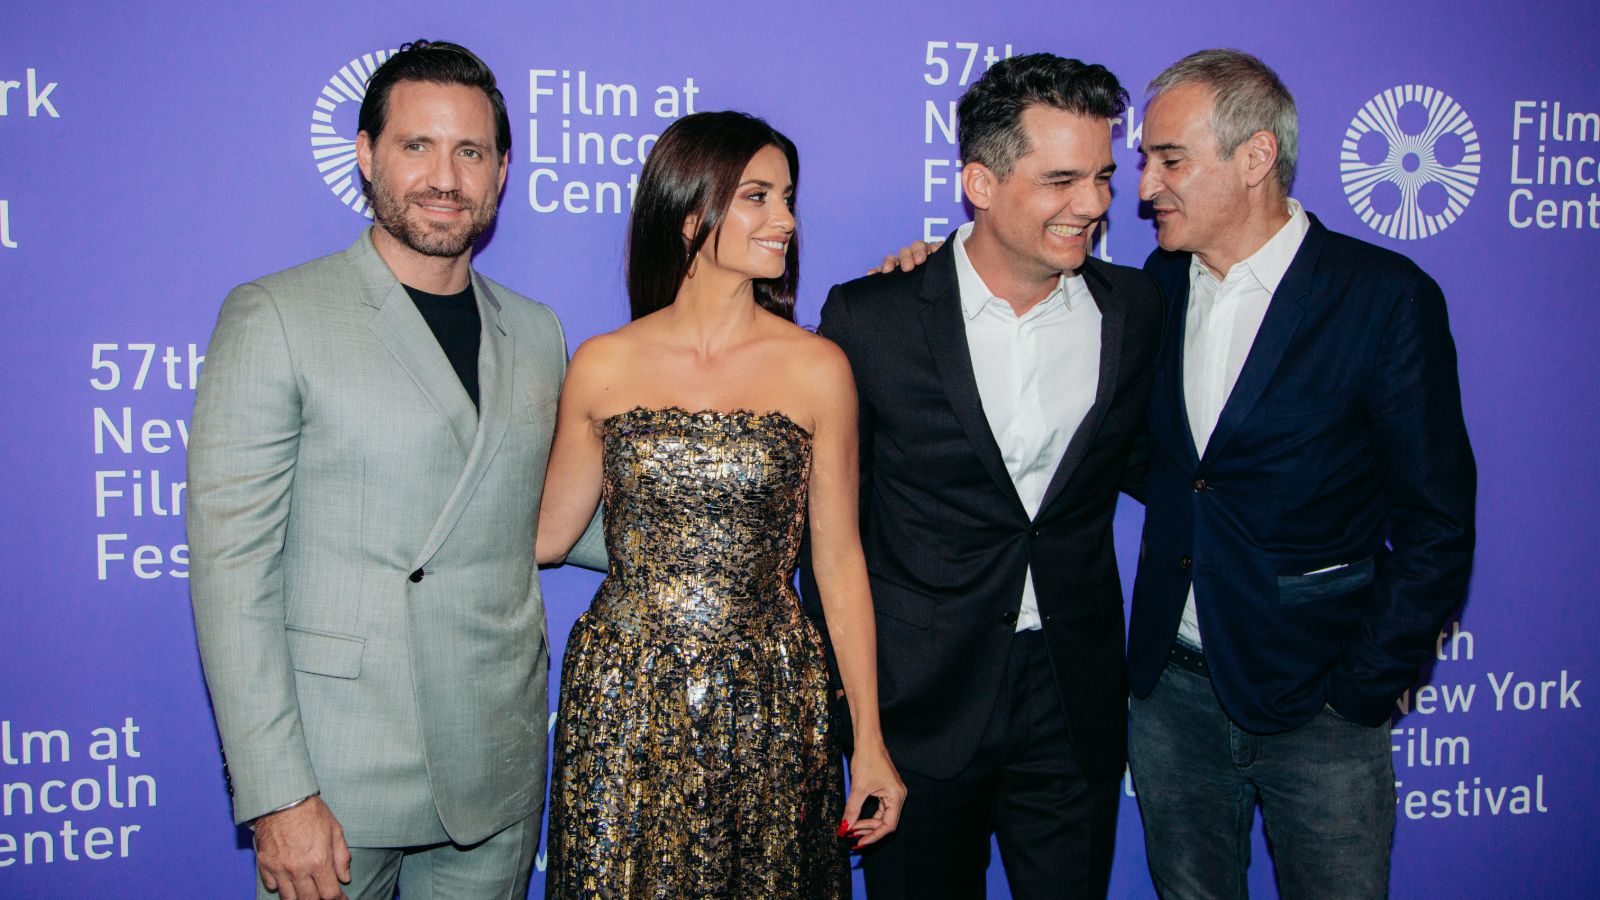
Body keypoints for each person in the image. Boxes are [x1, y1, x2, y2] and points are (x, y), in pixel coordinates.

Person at [188, 41, 601, 900]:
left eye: (470, 152)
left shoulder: (537, 331)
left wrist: (732, 506)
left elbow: (554, 515)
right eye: (417, 146)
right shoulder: (277, 315)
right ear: (366, 155)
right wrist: (278, 795)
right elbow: (232, 574)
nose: (444, 178)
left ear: (501, 172)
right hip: (336, 773)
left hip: (494, 765)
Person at [1125, 49, 1476, 898]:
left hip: (1320, 703)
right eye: (1145, 161)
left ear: (1255, 158)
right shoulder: (1157, 285)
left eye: (1170, 160)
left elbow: (1436, 520)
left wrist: (1360, 690)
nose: (1145, 187)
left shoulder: (1383, 297)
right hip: (1171, 695)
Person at [815, 54, 1164, 898]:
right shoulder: (873, 318)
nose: (1094, 204)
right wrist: (857, 720)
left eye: (1103, 177)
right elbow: (831, 536)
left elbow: (1167, 465)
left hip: (1073, 698)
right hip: (919, 704)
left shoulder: (1136, 308)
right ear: (980, 182)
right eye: (1061, 180)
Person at [534, 110, 905, 899]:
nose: (786, 220)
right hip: (623, 692)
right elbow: (549, 535)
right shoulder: (602, 364)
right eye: (758, 197)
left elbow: (839, 561)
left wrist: (868, 739)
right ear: (690, 213)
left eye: (788, 198)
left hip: (770, 693)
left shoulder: (817, 368)